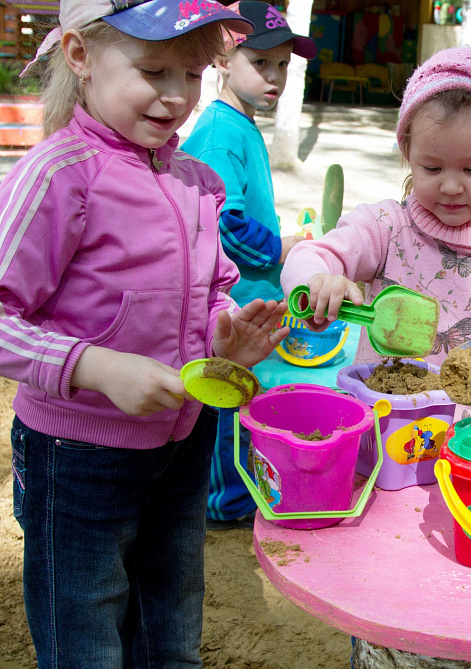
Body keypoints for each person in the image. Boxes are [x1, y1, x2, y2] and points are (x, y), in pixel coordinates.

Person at [2, 1, 290, 665]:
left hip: (185, 440)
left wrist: (229, 335)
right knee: (85, 632)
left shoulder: (196, 180)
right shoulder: (60, 175)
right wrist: (95, 366)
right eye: (152, 69)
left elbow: (213, 291)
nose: (174, 96)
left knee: (169, 615)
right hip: (78, 455)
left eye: (190, 74)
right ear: (80, 56)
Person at [280, 46, 471, 420]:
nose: (450, 186)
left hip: (470, 445)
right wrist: (317, 281)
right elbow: (310, 255)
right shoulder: (385, 229)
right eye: (431, 168)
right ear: (407, 149)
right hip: (381, 434)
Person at [181, 0, 315, 531]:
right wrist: (283, 247)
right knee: (231, 396)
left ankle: (238, 488)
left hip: (250, 292)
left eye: (282, 64)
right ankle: (225, 502)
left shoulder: (239, 124)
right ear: (221, 57)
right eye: (261, 63)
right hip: (230, 295)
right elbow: (225, 223)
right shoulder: (219, 132)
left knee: (250, 390)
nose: (275, 76)